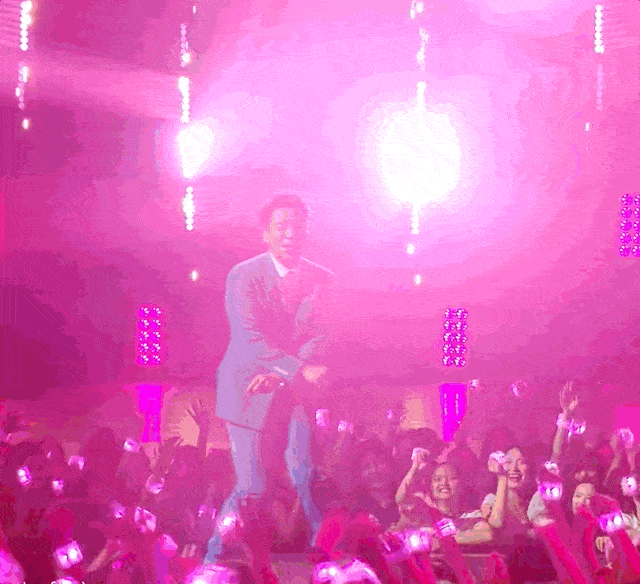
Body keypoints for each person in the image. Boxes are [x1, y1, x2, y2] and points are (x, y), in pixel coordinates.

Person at [206, 194, 333, 563]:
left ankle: (330, 555)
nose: (291, 233)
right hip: (247, 388)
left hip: (292, 389)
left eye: (298, 226)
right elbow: (248, 337)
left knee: (305, 472)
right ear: (266, 234)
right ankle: (213, 559)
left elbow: (322, 334)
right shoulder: (242, 275)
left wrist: (286, 376)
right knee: (253, 487)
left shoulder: (322, 279)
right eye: (282, 226)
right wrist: (296, 369)